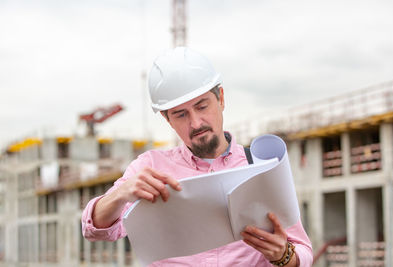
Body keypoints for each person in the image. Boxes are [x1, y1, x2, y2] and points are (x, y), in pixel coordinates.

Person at [82, 47, 313, 266]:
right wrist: (121, 194)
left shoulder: (261, 167)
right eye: (181, 114)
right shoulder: (149, 168)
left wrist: (283, 256)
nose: (195, 123)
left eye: (202, 106)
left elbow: (303, 251)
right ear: (167, 119)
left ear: (221, 98)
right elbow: (95, 229)